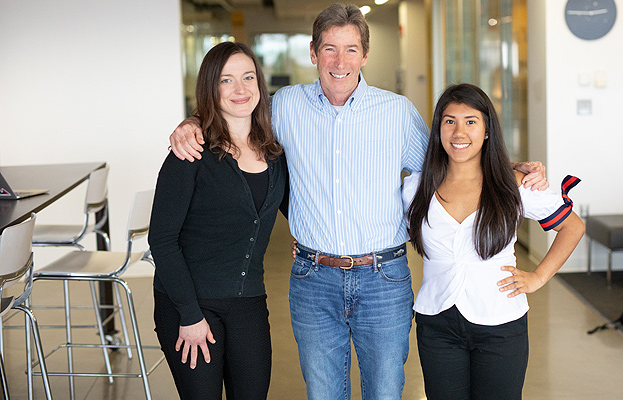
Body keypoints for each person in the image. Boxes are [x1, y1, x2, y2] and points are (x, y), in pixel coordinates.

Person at [168, 4, 547, 398]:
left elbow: (451, 160)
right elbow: (233, 110)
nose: (339, 61)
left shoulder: (396, 113)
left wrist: (510, 168)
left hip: (382, 279)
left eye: (351, 49)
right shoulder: (284, 107)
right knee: (324, 393)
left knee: (384, 392)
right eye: (329, 48)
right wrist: (193, 122)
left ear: (365, 55)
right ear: (313, 53)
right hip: (313, 280)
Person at [403, 83, 585, 400]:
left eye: (471, 121)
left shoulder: (513, 184)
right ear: (438, 130)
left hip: (500, 323)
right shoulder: (417, 186)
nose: (459, 132)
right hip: (437, 324)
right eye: (449, 121)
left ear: (487, 130)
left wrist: (538, 277)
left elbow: (573, 226)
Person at [149, 42, 288, 400]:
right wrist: (190, 315)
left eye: (248, 77)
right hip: (191, 304)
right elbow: (162, 240)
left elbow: (300, 209)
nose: (240, 89)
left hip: (248, 303)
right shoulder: (190, 154)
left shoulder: (274, 154)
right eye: (227, 81)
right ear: (211, 88)